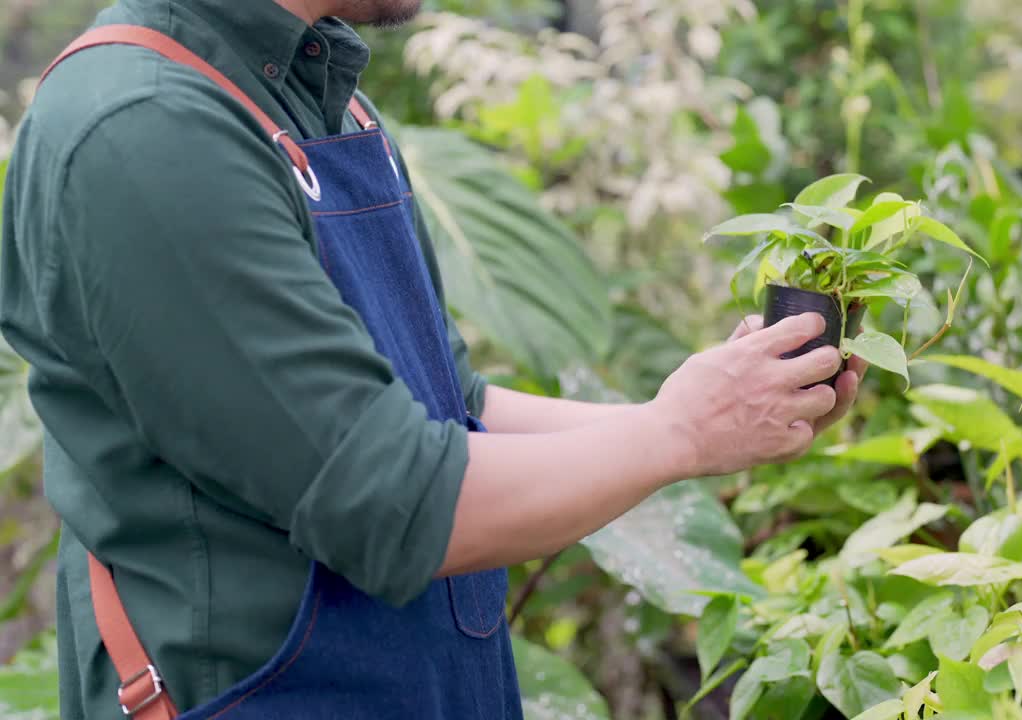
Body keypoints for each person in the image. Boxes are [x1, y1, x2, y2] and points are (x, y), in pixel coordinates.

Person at [0, 1, 864, 718]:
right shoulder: (149, 131)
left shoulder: (317, 94)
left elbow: (452, 403)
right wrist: (684, 434)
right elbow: (396, 502)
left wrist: (717, 412)